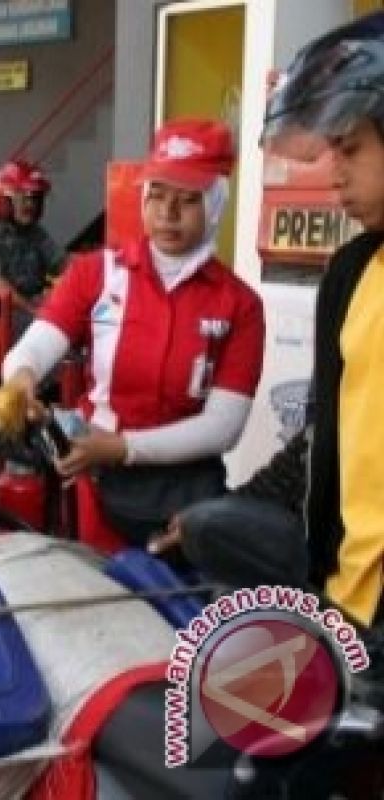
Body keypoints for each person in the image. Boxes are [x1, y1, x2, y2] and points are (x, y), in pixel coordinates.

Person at [163, 12, 384, 631]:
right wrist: (230, 509)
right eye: (330, 149)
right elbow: (320, 443)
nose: (334, 170)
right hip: (347, 600)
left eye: (352, 148)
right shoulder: (351, 273)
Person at [2, 119, 266, 555]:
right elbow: (34, 347)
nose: (168, 213)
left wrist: (123, 449)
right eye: (157, 195)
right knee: (103, 604)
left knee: (181, 613)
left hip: (188, 492)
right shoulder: (95, 273)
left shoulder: (240, 305)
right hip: (100, 484)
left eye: (187, 200)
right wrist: (20, 379)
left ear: (216, 204)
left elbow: (224, 427)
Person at [0, 160, 67, 335]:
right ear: (3, 198)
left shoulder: (34, 233)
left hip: (27, 314)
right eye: (25, 197)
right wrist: (36, 313)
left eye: (36, 198)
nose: (32, 205)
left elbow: (65, 263)